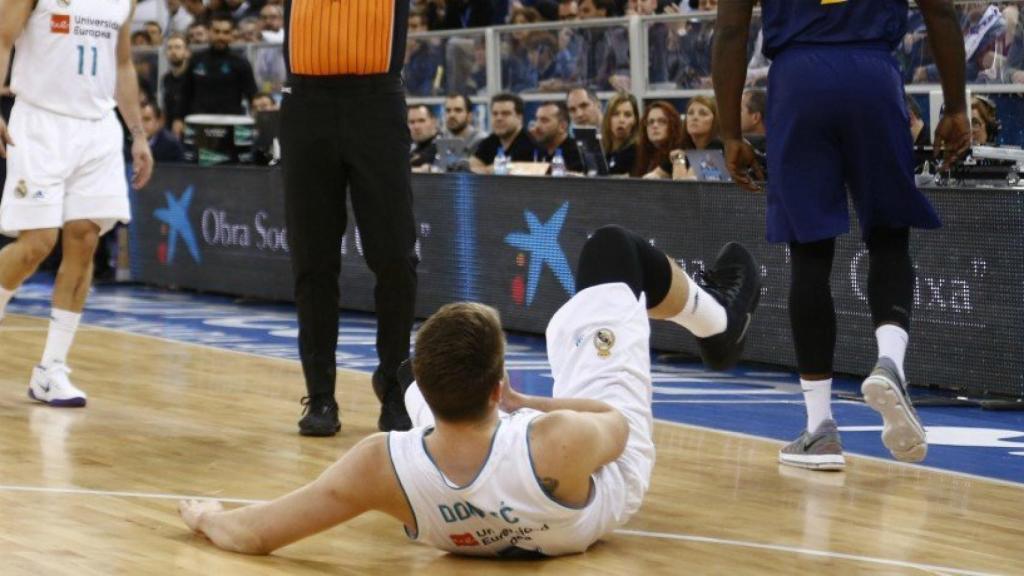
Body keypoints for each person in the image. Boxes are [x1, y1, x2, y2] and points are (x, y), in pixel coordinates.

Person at [179, 225, 762, 558]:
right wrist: (534, 405)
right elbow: (618, 423)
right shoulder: (556, 439)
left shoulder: (381, 463)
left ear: (426, 406)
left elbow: (252, 532)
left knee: (399, 375)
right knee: (611, 251)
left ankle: (408, 384)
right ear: (500, 386)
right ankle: (717, 320)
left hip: (459, 492)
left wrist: (207, 517)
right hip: (596, 479)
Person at [713, 0, 971, 469]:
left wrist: (730, 132)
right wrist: (956, 105)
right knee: (889, 235)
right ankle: (889, 361)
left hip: (797, 82)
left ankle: (820, 429)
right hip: (873, 76)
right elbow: (942, 14)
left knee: (809, 253)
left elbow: (731, 31)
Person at [0, 0, 154, 406]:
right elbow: (2, 38)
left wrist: (137, 133)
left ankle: (51, 369)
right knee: (37, 244)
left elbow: (122, 65)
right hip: (40, 122)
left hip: (99, 128)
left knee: (85, 238)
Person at [281, 0, 419, 436]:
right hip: (306, 103)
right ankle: (320, 395)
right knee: (313, 260)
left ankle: (395, 383)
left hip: (376, 102)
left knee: (395, 256)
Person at [177, 16, 257, 121]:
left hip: (231, 121)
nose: (221, 36)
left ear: (232, 35)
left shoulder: (241, 63)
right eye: (216, 31)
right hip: (200, 121)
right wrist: (178, 118)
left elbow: (252, 95)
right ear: (209, 32)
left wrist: (258, 118)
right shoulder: (196, 60)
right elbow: (185, 92)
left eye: (225, 32)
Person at [471, 93, 537, 174]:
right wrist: (490, 170)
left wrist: (488, 169)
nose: (499, 118)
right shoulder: (490, 141)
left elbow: (529, 170)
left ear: (519, 117)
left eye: (505, 114)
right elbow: (472, 167)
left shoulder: (531, 144)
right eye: (495, 114)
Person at [632, 100, 683, 178]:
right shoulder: (642, 154)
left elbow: (682, 183)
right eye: (651, 122)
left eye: (662, 121)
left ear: (673, 125)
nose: (655, 126)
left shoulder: (680, 151)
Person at [532, 101, 586, 173]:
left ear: (562, 126)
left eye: (544, 120)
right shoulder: (538, 149)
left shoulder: (578, 153)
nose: (537, 126)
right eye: (537, 120)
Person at [601, 92, 639, 176]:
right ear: (608, 119)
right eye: (615, 114)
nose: (621, 120)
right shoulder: (601, 150)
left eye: (627, 115)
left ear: (635, 120)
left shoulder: (637, 152)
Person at [160, 33, 190, 139]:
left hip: (190, 131)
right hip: (169, 132)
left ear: (187, 52)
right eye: (170, 48)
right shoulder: (166, 79)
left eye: (178, 47)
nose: (173, 51)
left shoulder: (194, 78)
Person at [408, 104, 439, 172]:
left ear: (433, 122)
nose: (416, 127)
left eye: (421, 121)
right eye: (412, 122)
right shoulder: (408, 147)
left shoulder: (443, 146)